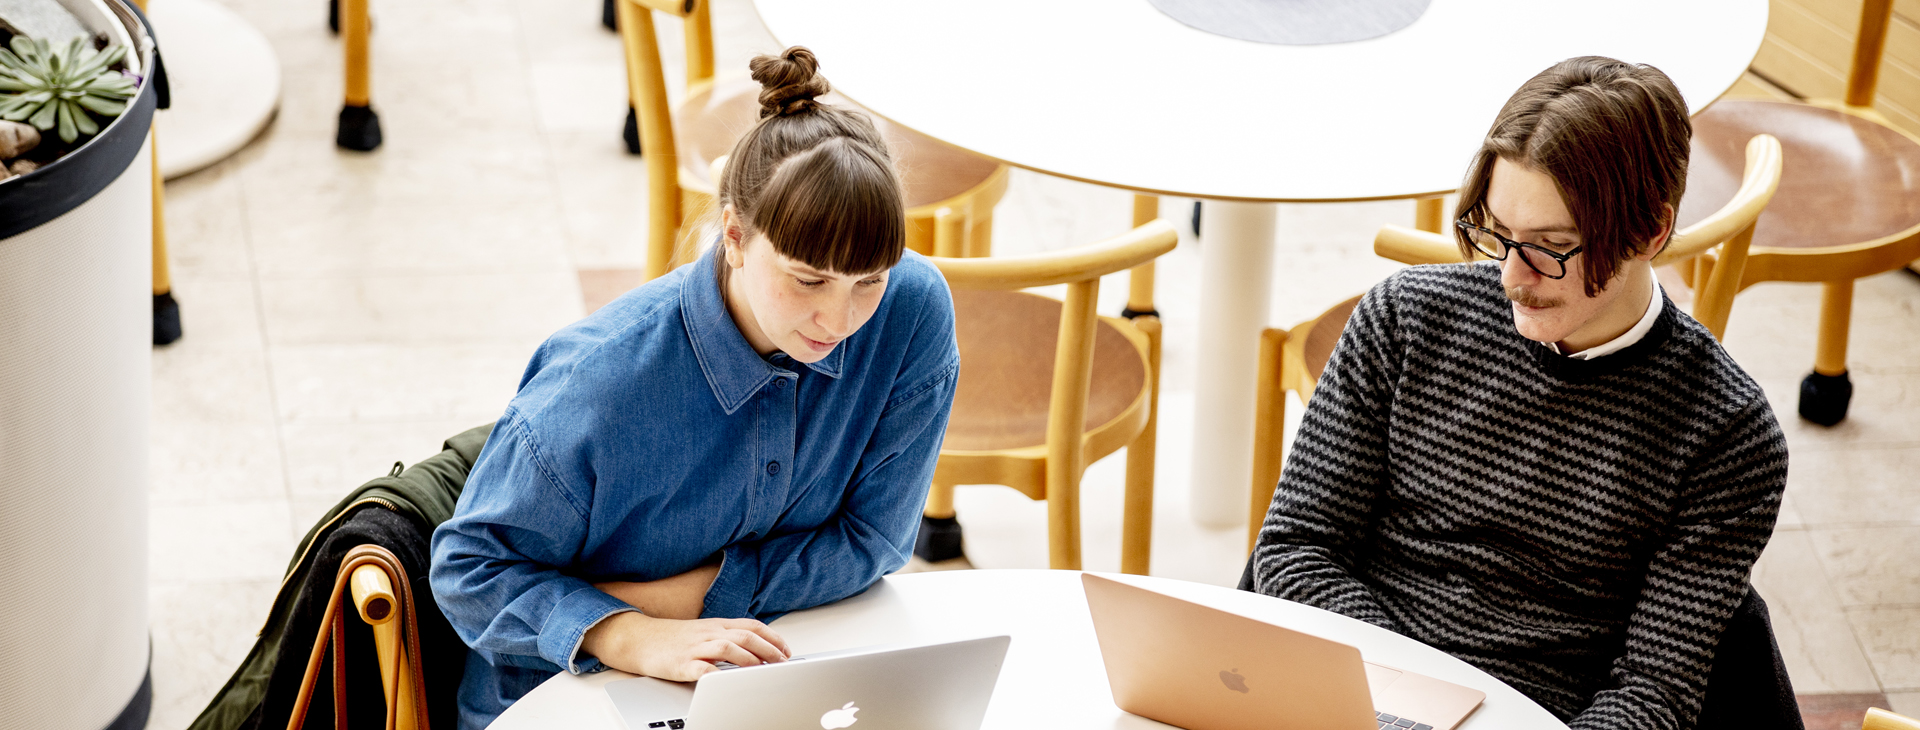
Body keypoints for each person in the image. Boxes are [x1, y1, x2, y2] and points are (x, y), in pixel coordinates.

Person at [1249, 56, 1789, 730]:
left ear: (1650, 233)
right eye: (1497, 234)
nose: (1511, 277)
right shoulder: (1405, 319)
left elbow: (1655, 696)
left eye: (1549, 247)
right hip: (1357, 684)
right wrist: (1407, 706)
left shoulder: (1725, 432)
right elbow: (1297, 548)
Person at [429, 47, 960, 729]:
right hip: (561, 695)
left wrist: (684, 597)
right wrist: (626, 632)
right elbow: (468, 570)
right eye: (807, 279)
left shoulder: (910, 311)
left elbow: (875, 540)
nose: (841, 319)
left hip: (772, 671)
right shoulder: (598, 385)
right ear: (735, 235)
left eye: (868, 280)